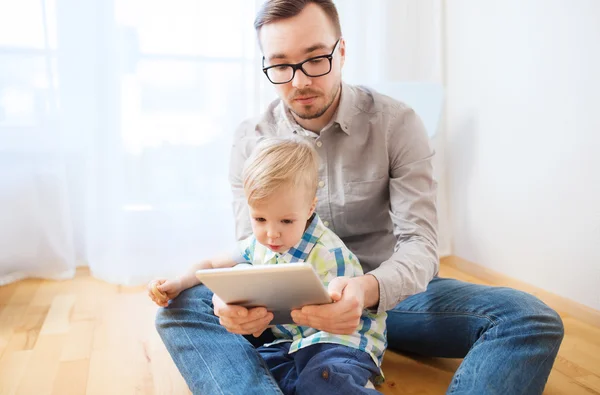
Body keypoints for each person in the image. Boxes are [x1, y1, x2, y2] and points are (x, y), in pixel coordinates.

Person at [156, 1, 564, 394]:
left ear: (342, 50)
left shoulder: (396, 123)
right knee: (180, 307)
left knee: (529, 319)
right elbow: (253, 249)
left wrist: (366, 289)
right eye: (280, 65)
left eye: (316, 58)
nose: (299, 81)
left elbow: (421, 245)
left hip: (391, 299)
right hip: (288, 311)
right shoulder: (251, 139)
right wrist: (237, 306)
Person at [150, 136, 387, 394]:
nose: (272, 233)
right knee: (268, 371)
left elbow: (345, 314)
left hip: (338, 342)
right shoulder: (257, 243)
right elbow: (210, 263)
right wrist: (180, 282)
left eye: (286, 221)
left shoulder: (328, 252)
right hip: (289, 343)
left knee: (323, 379)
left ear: (309, 209)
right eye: (260, 218)